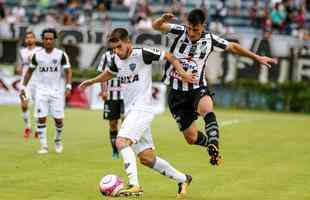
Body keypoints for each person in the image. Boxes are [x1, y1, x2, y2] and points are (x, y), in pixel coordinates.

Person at [80, 28, 196, 198]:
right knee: (147, 158)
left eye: (119, 47)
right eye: (113, 48)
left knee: (120, 141)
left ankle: (134, 185)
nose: (116, 51)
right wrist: (92, 81)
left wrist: (183, 73)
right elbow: (109, 73)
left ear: (128, 43)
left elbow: (169, 56)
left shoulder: (142, 54)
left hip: (142, 108)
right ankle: (183, 179)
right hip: (131, 112)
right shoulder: (115, 60)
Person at [152, 9, 277, 165]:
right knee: (191, 138)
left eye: (195, 29)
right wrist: (162, 18)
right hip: (177, 93)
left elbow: (233, 47)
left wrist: (256, 57)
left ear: (203, 26)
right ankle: (209, 146)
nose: (191, 33)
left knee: (207, 108)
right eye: (189, 28)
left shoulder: (210, 39)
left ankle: (214, 144)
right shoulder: (179, 31)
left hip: (197, 88)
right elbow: (156, 26)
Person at [20, 28, 72, 154]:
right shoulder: (37, 55)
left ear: (54, 40)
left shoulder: (61, 54)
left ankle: (58, 140)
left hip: (57, 91)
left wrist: (68, 85)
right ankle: (44, 146)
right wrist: (23, 87)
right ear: (42, 40)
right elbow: (29, 72)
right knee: (41, 118)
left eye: (50, 39)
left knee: (58, 120)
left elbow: (68, 70)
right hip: (41, 91)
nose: (48, 41)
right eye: (46, 39)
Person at [97, 49, 124, 160]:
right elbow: (102, 75)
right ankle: (115, 150)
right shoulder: (106, 56)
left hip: (126, 94)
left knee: (126, 120)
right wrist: (103, 91)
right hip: (111, 95)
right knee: (113, 124)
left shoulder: (127, 54)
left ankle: (128, 149)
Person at [16, 31, 42, 138]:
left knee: (38, 106)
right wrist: (19, 68)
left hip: (38, 82)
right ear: (25, 40)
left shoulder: (40, 51)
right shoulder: (22, 52)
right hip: (25, 83)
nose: (29, 39)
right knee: (24, 105)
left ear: (35, 39)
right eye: (27, 38)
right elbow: (19, 67)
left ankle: (37, 129)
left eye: (31, 37)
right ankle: (27, 127)